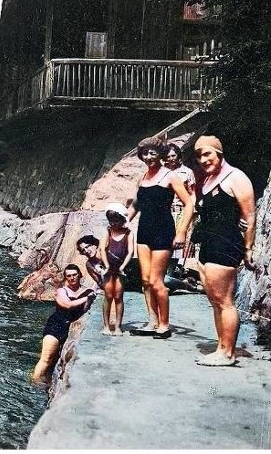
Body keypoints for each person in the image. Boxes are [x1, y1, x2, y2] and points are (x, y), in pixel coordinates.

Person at [192, 135, 256, 366]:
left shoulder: (236, 177)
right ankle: (221, 347)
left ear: (219, 153)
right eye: (199, 155)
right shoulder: (209, 179)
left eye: (207, 153)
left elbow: (249, 216)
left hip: (226, 244)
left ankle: (228, 353)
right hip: (208, 243)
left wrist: (248, 248)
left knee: (224, 300)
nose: (203, 159)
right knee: (214, 300)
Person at [127, 136, 194, 339]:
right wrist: (124, 221)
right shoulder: (142, 178)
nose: (148, 157)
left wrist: (182, 231)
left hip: (163, 230)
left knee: (157, 281)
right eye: (145, 154)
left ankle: (164, 325)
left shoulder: (170, 176)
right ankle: (152, 322)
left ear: (161, 155)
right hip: (144, 231)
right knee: (146, 281)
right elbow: (135, 205)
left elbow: (189, 204)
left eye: (153, 153)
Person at [31, 264, 97, 383]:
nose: (72, 278)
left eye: (74, 275)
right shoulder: (62, 291)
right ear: (66, 278)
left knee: (54, 360)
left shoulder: (87, 291)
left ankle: (46, 382)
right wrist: (88, 298)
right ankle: (35, 382)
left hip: (69, 327)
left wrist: (90, 296)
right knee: (46, 359)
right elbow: (68, 305)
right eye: (69, 276)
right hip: (55, 326)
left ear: (80, 275)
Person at [98, 203, 135, 335]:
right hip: (108, 267)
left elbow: (130, 251)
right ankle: (106, 326)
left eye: (116, 221)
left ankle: (118, 326)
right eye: (111, 221)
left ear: (122, 220)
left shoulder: (128, 233)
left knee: (118, 296)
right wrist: (107, 265)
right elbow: (102, 248)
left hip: (121, 268)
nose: (113, 224)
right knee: (108, 295)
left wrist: (123, 267)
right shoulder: (107, 231)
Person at [164, 143, 196, 263]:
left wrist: (192, 210)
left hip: (181, 210)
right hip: (165, 211)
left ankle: (176, 269)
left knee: (179, 242)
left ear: (178, 155)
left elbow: (192, 193)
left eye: (173, 155)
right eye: (168, 157)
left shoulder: (187, 172)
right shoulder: (162, 172)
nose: (171, 159)